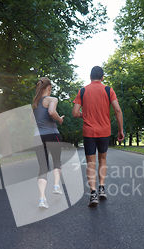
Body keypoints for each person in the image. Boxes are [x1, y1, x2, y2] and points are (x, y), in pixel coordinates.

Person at [72, 66, 124, 206]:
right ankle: (102, 188)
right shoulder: (108, 90)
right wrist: (120, 130)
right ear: (102, 77)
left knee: (91, 163)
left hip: (89, 132)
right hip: (104, 132)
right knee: (102, 160)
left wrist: (87, 114)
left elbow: (75, 113)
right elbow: (117, 109)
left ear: (90, 77)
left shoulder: (82, 91)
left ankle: (93, 193)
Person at [32, 77, 65, 208]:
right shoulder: (52, 99)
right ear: (49, 87)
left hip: (38, 137)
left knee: (43, 167)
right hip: (52, 135)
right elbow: (51, 112)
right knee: (57, 161)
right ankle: (56, 186)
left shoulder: (34, 103)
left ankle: (42, 199)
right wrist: (59, 120)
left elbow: (32, 120)